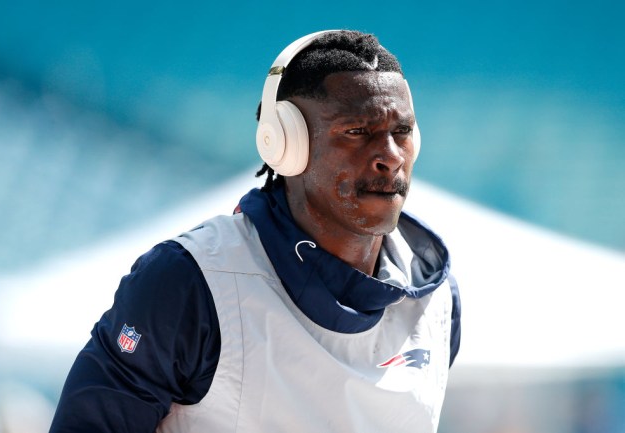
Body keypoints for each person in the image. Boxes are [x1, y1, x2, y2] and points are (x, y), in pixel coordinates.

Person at [49, 29, 461, 433]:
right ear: (284, 143)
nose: (390, 156)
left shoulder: (436, 299)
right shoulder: (190, 282)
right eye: (356, 132)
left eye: (402, 132)